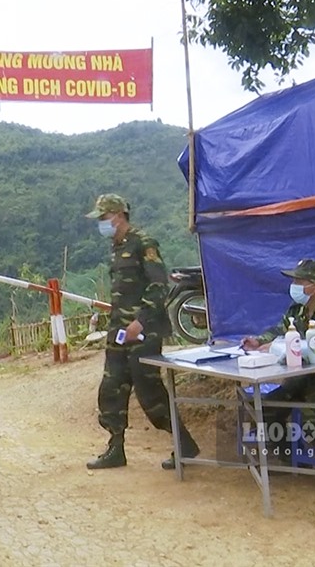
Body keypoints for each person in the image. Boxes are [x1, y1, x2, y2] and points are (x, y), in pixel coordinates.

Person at [84, 194, 201, 470]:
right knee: (111, 387)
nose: (102, 223)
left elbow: (159, 285)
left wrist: (141, 321)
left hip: (142, 332)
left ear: (118, 215)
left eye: (104, 217)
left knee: (149, 391)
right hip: (119, 331)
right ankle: (116, 448)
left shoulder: (144, 243)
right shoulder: (117, 246)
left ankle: (185, 444)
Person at [241, 259, 315, 494]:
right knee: (265, 408)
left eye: (299, 280)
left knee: (312, 419)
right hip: (305, 377)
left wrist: (279, 346)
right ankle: (291, 455)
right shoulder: (297, 309)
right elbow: (281, 329)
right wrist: (261, 341)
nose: (294, 285)